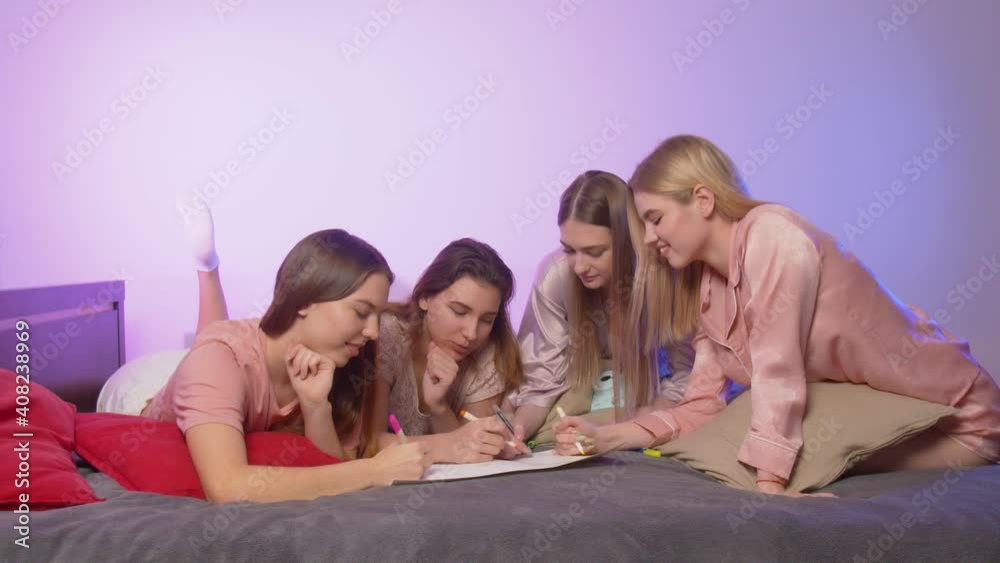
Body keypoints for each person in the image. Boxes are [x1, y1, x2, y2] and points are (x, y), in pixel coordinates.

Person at [554, 135, 1000, 497]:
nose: (649, 238)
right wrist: (608, 436)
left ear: (703, 200)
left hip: (961, 418)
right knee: (755, 435)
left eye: (656, 218)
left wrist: (769, 486)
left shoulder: (772, 234)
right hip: (891, 417)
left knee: (780, 449)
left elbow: (777, 369)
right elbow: (702, 404)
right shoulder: (705, 287)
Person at [100, 211, 430, 501]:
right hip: (138, 392)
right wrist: (373, 471)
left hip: (219, 368)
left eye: (377, 316)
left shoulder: (342, 361)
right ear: (305, 300)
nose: (373, 332)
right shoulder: (218, 360)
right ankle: (207, 268)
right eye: (361, 312)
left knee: (215, 354)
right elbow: (227, 488)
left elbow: (331, 470)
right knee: (212, 351)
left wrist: (316, 408)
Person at [507, 171, 695, 445]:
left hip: (654, 401)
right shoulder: (556, 275)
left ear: (627, 241)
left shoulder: (666, 277)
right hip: (582, 392)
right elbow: (539, 383)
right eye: (569, 250)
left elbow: (687, 377)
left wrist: (611, 429)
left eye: (594, 252)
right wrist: (517, 432)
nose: (579, 266)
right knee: (552, 428)